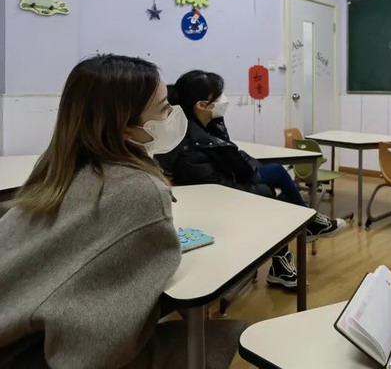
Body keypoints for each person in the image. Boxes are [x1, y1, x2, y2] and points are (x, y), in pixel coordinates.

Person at [0, 54, 244, 368]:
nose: (172, 114)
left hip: (16, 338)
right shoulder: (140, 188)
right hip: (42, 356)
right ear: (126, 129)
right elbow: (100, 345)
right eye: (164, 108)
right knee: (239, 333)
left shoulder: (53, 170)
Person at [156, 70, 347, 290]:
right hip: (215, 203)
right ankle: (304, 233)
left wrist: (255, 176)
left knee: (278, 181)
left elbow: (235, 155)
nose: (223, 100)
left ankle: (292, 251)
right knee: (281, 200)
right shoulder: (190, 145)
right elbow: (217, 190)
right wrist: (265, 191)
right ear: (202, 105)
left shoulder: (209, 125)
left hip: (228, 185)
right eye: (218, 96)